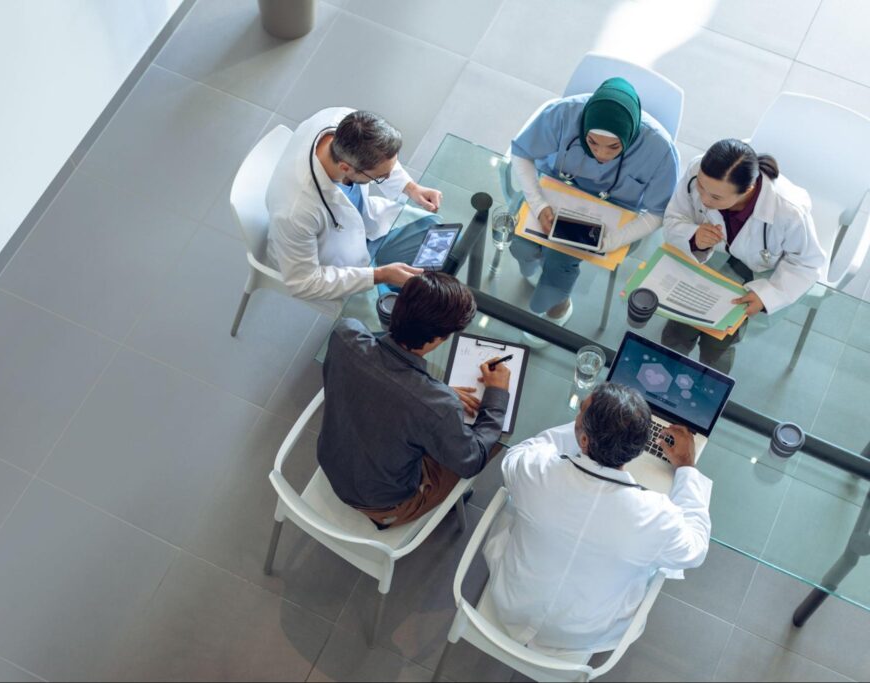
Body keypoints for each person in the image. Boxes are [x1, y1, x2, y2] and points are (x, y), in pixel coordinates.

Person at [483, 383, 712, 653]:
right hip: (582, 636)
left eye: (580, 412)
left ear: (583, 440)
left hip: (510, 607)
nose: (576, 418)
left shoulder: (536, 472)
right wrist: (686, 467)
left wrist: (589, 430)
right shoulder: (655, 517)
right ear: (639, 449)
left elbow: (523, 452)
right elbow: (695, 548)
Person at [319, 272, 511, 528]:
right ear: (436, 339)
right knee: (492, 441)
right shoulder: (437, 407)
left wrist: (430, 393)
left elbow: (382, 375)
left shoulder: (346, 333)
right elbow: (472, 460)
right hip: (384, 502)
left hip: (332, 459)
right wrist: (496, 394)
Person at [508, 78, 680, 347]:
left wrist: (612, 241)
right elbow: (521, 153)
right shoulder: (563, 114)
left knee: (560, 262)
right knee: (519, 245)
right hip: (554, 194)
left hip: (612, 217)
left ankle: (557, 306)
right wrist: (539, 204)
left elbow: (658, 211)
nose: (601, 155)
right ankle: (542, 270)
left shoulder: (661, 150)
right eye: (592, 143)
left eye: (614, 147)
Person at [662, 139, 828, 372]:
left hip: (761, 272)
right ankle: (665, 370)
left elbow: (807, 265)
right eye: (701, 188)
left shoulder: (788, 211)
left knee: (717, 342)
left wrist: (768, 295)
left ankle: (709, 380)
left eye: (717, 198)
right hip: (710, 257)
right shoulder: (698, 171)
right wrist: (693, 236)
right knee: (677, 330)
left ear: (748, 190)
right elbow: (673, 218)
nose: (706, 200)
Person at [266, 107, 444, 303]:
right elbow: (303, 283)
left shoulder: (347, 122)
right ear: (345, 168)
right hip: (338, 265)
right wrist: (379, 275)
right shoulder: (296, 211)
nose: (388, 177)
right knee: (394, 316)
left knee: (442, 240)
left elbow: (383, 160)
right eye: (379, 177)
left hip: (366, 224)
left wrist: (411, 188)